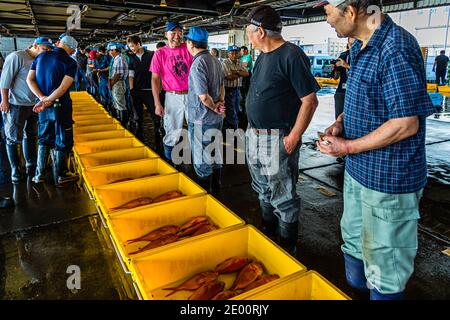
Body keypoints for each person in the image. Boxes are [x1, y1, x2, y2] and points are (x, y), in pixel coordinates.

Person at [317, 0, 436, 300]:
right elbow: (366, 98)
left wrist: (347, 146)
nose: (328, 20)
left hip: (388, 181)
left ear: (352, 12)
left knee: (386, 270)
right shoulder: (359, 46)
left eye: (329, 12)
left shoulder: (395, 48)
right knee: (356, 256)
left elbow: (406, 123)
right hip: (359, 172)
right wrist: (341, 124)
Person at [244, 5, 319, 255]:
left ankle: (287, 248)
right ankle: (268, 233)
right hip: (254, 135)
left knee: (282, 193)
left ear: (261, 32)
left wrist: (294, 136)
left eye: (248, 32)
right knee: (262, 187)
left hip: (277, 138)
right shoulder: (262, 57)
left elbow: (310, 100)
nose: (247, 37)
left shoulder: (291, 55)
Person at [26, 35, 80, 185]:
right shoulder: (70, 62)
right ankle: (62, 174)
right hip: (60, 106)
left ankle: (39, 174)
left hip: (42, 106)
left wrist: (42, 98)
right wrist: (49, 100)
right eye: (73, 50)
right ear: (70, 48)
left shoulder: (41, 57)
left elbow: (29, 79)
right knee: (63, 138)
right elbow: (63, 87)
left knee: (44, 138)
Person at [0, 37, 53, 184]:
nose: (47, 52)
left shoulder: (41, 60)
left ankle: (31, 163)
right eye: (44, 48)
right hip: (16, 104)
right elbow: (5, 80)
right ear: (35, 46)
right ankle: (16, 170)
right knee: (13, 137)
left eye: (49, 49)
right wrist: (4, 101)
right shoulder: (17, 56)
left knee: (31, 134)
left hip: (34, 104)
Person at [185, 27, 225, 193]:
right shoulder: (215, 60)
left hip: (202, 119)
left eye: (187, 41)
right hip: (216, 119)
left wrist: (214, 106)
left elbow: (203, 96)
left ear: (191, 43)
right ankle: (216, 188)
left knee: (202, 160)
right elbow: (222, 86)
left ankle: (206, 195)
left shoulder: (197, 64)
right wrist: (221, 103)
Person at [150, 21, 193, 163]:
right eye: (173, 33)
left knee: (197, 130)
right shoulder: (160, 53)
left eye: (179, 32)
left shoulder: (189, 49)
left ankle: (197, 165)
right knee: (172, 132)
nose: (176, 36)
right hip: (172, 96)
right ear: (166, 34)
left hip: (193, 95)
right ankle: (171, 163)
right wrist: (157, 103)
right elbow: (155, 79)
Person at [127, 36, 160, 145]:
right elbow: (130, 74)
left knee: (155, 115)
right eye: (129, 47)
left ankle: (158, 135)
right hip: (136, 90)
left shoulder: (151, 54)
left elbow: (157, 72)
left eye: (132, 46)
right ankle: (140, 137)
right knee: (137, 115)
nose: (131, 48)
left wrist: (158, 88)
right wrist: (131, 89)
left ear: (138, 44)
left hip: (150, 90)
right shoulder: (131, 57)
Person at [222, 45, 248, 130]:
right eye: (231, 53)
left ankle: (229, 126)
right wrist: (240, 72)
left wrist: (235, 72)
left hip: (237, 90)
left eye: (236, 53)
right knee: (231, 111)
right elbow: (229, 77)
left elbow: (246, 73)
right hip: (228, 90)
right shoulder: (225, 63)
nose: (234, 55)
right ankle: (234, 129)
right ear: (228, 54)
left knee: (236, 110)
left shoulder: (239, 62)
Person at [107, 42, 129, 126]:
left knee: (120, 103)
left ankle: (124, 123)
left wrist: (111, 84)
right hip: (116, 83)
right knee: (117, 102)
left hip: (118, 83)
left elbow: (118, 74)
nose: (109, 52)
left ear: (115, 50)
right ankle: (120, 120)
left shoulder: (119, 58)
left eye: (110, 50)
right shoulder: (116, 58)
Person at [332, 37, 354, 120]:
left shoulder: (363, 57)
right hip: (341, 92)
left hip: (355, 93)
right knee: (338, 120)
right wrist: (334, 69)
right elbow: (335, 77)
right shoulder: (343, 56)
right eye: (351, 44)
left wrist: (347, 66)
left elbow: (363, 73)